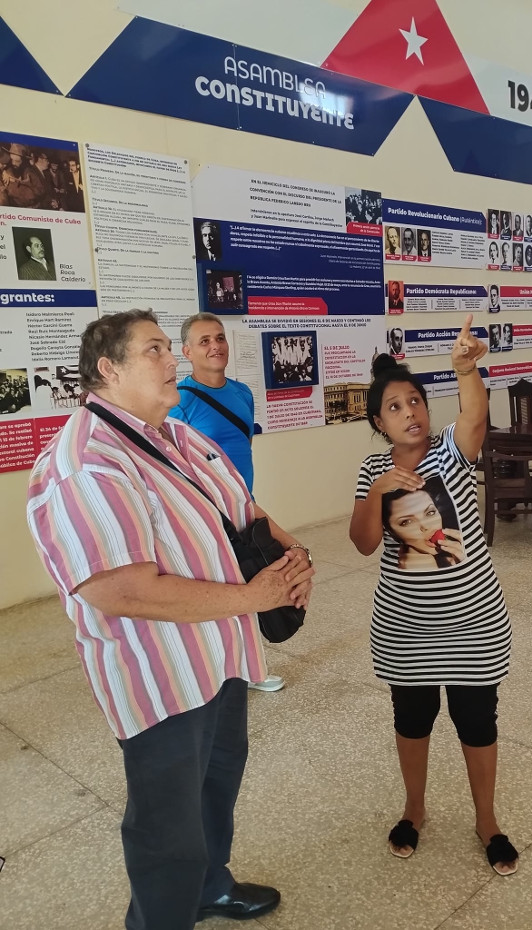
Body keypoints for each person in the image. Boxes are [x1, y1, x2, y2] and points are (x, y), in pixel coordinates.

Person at [26, 309, 314, 930]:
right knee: (166, 824)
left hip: (222, 659)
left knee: (215, 789)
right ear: (108, 369)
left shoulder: (176, 435)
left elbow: (245, 508)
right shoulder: (86, 463)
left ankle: (211, 886)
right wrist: (254, 598)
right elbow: (121, 590)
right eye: (155, 350)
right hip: (161, 680)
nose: (175, 360)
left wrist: (293, 556)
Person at [349, 316, 517, 875]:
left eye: (416, 401)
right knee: (413, 719)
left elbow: (474, 414)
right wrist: (376, 492)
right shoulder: (372, 471)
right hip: (405, 627)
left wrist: (466, 368)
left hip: (473, 622)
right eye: (395, 407)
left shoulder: (451, 450)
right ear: (379, 421)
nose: (411, 413)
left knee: (477, 722)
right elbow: (364, 544)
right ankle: (414, 810)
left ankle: (487, 820)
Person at [170, 312, 287, 692]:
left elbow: (241, 448)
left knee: (250, 580)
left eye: (219, 338)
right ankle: (215, 671)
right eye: (204, 341)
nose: (215, 346)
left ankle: (249, 668)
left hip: (244, 505)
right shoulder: (180, 401)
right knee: (221, 590)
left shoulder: (242, 393)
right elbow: (178, 461)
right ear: (187, 350)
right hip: (206, 510)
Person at [382, 476, 464, 570]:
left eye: (430, 512)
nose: (425, 526)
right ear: (391, 531)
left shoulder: (452, 560)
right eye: (407, 522)